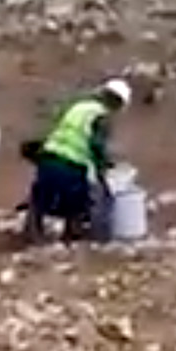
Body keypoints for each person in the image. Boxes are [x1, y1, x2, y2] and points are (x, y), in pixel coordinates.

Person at [21, 78, 132, 244]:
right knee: (78, 202)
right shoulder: (100, 116)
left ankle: (32, 235)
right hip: (71, 165)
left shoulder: (79, 107)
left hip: (48, 157)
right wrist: (103, 168)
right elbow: (96, 145)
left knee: (40, 198)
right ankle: (72, 236)